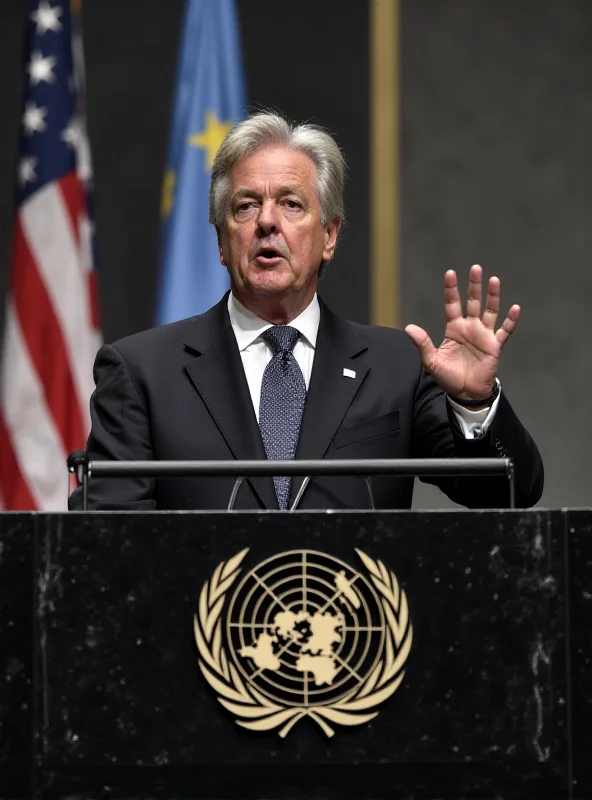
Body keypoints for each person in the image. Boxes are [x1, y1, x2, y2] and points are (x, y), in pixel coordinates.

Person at [69, 112, 543, 511]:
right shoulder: (141, 373)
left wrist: (475, 405)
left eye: (291, 204)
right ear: (220, 240)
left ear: (330, 237)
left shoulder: (398, 367)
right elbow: (107, 546)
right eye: (245, 206)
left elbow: (510, 495)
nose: (267, 222)